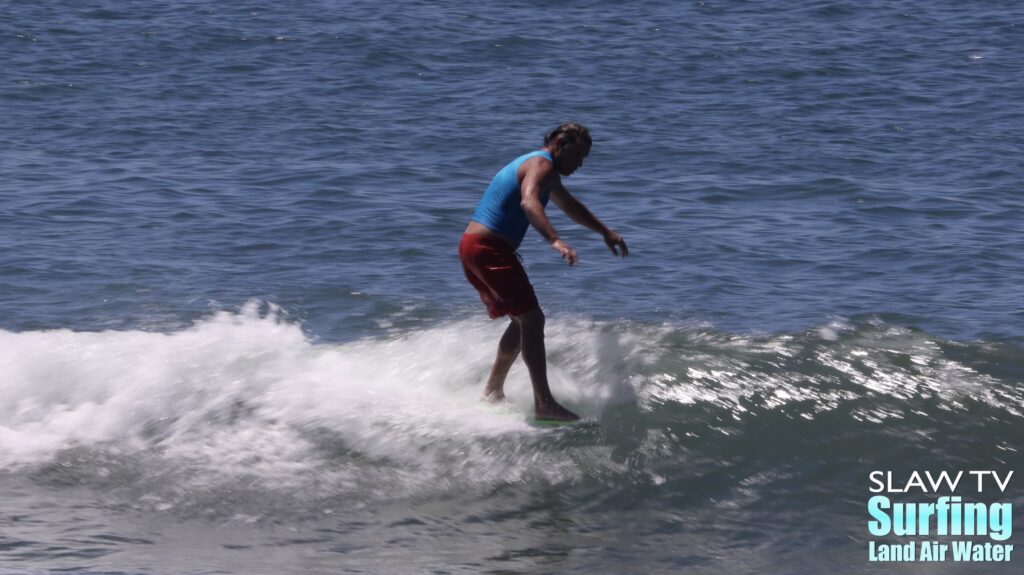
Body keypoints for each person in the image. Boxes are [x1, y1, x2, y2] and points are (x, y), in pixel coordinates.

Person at [459, 122, 628, 422]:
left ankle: (493, 391)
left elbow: (570, 205)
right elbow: (528, 200)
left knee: (521, 321)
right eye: (576, 155)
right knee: (533, 319)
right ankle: (544, 403)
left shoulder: (543, 168)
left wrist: (604, 231)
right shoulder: (541, 164)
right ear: (557, 145)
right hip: (488, 248)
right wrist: (555, 240)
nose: (579, 163)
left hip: (474, 247)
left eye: (584, 157)